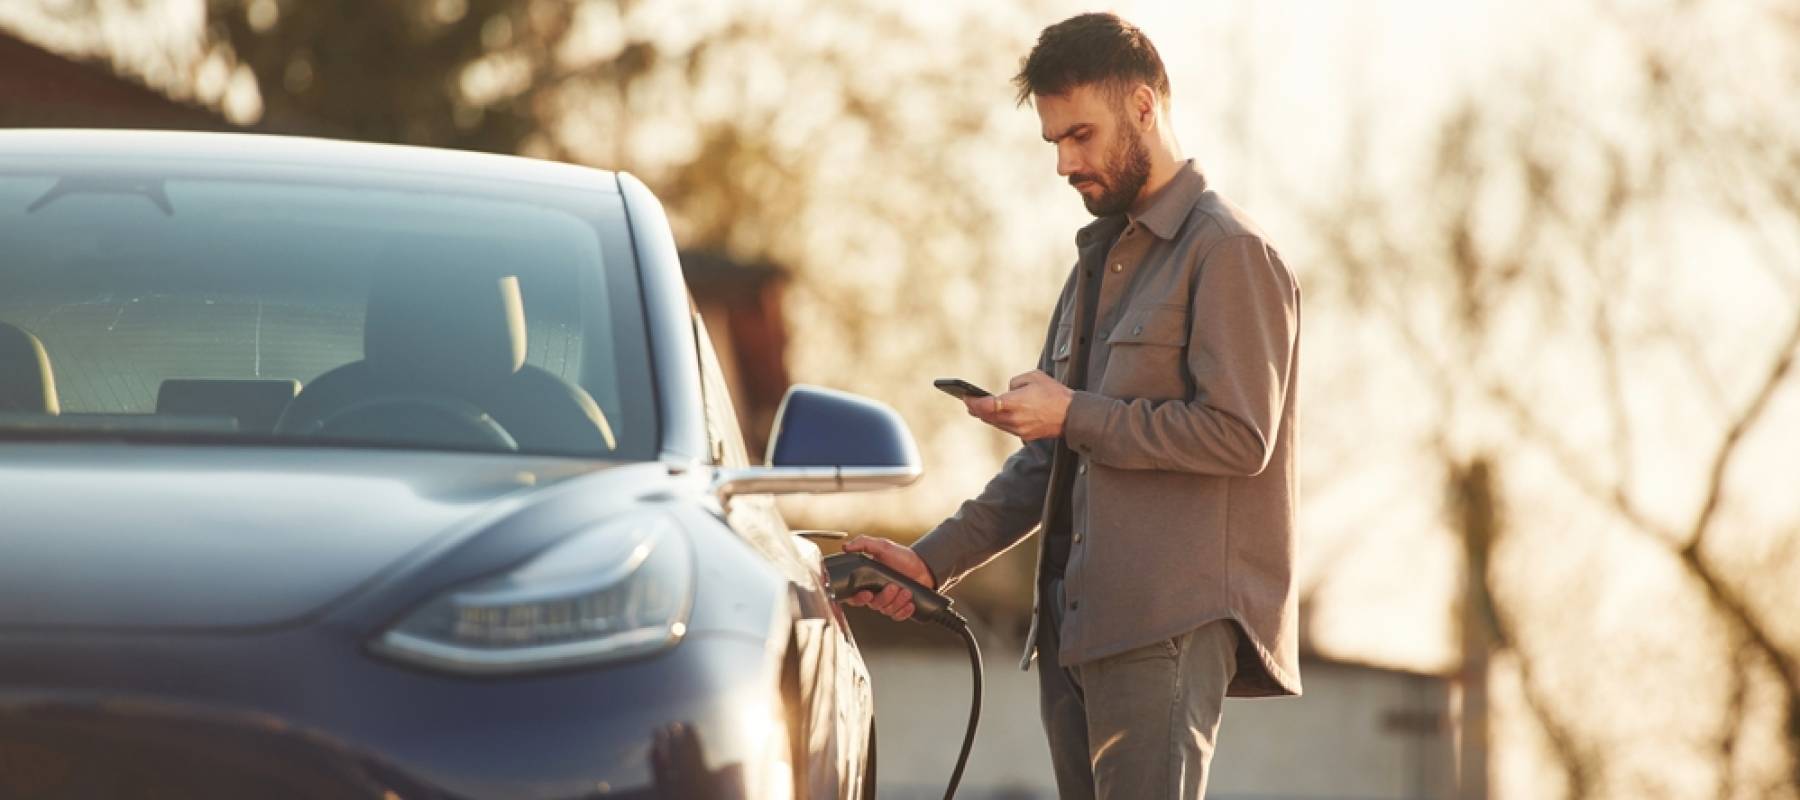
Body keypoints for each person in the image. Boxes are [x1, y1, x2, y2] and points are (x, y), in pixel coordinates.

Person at [841, 11, 1302, 799]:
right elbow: (1053, 458)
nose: (1064, 163)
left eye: (1081, 135)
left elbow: (1239, 436)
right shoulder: (1094, 262)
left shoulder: (1229, 251)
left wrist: (1072, 414)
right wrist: (931, 561)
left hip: (1163, 629)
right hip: (1071, 633)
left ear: (1144, 107)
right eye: (1054, 140)